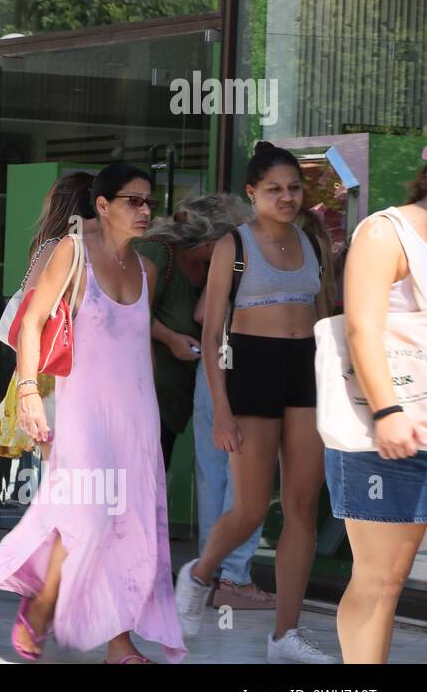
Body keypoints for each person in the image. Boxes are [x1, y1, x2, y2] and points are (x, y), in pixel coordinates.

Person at [0, 164, 186, 664]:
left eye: (148, 201)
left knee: (131, 525)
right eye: (133, 201)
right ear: (102, 205)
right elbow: (32, 321)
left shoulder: (148, 270)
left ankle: (120, 643)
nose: (145, 211)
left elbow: (135, 335)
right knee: (89, 520)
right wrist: (31, 393)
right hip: (80, 411)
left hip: (136, 414)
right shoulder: (69, 253)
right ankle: (42, 608)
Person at [175, 141, 336, 663]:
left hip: (306, 370)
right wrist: (220, 408)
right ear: (253, 193)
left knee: (303, 507)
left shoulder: (312, 239)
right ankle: (200, 575)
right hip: (251, 370)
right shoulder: (234, 245)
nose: (287, 197)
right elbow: (214, 327)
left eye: (293, 187)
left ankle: (284, 634)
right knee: (248, 508)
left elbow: (323, 317)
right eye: (274, 189)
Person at [140, 194, 276, 611]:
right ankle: (227, 577)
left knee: (210, 475)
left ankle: (208, 574)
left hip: (195, 380)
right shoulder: (169, 255)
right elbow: (129, 309)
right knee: (240, 476)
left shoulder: (208, 260)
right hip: (219, 374)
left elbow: (200, 314)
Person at [326, 164, 427, 663]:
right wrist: (388, 412)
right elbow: (361, 329)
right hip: (384, 431)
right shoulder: (388, 231)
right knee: (382, 579)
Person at [0, 172, 95, 463]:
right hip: (49, 365)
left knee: (60, 462)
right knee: (57, 461)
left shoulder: (57, 245)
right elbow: (34, 312)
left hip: (51, 364)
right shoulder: (62, 247)